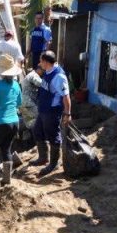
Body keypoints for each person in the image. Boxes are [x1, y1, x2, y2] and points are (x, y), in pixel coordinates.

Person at [30, 50, 71, 178]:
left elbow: (66, 96)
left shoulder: (59, 76)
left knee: (53, 136)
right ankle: (43, 157)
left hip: (52, 112)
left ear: (46, 62)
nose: (39, 63)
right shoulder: (48, 72)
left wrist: (67, 113)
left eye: (41, 60)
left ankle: (54, 163)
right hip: (43, 110)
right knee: (37, 131)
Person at [0, 54, 23, 187]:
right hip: (14, 122)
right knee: (6, 149)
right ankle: (7, 180)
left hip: (0, 123)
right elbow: (19, 102)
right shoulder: (16, 85)